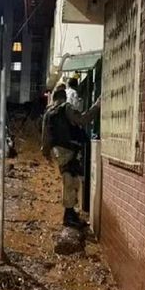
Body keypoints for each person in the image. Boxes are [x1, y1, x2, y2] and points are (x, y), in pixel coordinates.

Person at [41, 89, 100, 227]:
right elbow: (82, 120)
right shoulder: (66, 108)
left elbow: (45, 136)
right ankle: (69, 215)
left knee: (69, 180)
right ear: (63, 98)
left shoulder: (48, 113)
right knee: (71, 181)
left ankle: (70, 213)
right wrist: (96, 106)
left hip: (57, 151)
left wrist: (46, 153)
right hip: (69, 149)